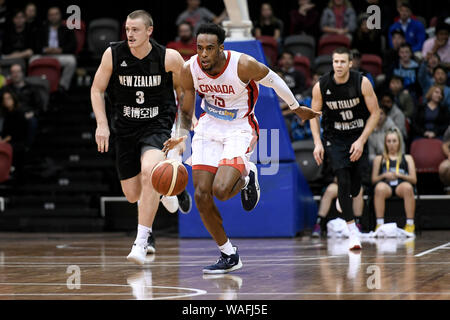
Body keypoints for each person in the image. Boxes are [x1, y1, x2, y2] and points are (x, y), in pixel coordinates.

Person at [165, 23, 320, 274]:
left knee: (222, 191)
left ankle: (248, 175)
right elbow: (186, 109)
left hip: (239, 127)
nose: (203, 54)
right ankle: (228, 254)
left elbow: (273, 79)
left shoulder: (242, 64)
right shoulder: (189, 68)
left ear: (221, 49)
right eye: (200, 48)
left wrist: (295, 106)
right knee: (203, 196)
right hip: (208, 127)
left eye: (209, 49)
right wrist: (181, 137)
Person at [90, 10, 187, 266]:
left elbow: (185, 91)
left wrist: (182, 129)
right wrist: (102, 124)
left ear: (149, 31)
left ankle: (141, 241)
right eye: (127, 29)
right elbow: (97, 89)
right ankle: (164, 189)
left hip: (157, 125)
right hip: (125, 128)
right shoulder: (113, 54)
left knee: (149, 171)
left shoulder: (169, 57)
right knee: (133, 194)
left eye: (135, 29)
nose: (129, 34)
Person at [310, 46, 381, 250]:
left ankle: (347, 197)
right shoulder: (322, 85)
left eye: (342, 61)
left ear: (350, 63)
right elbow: (313, 116)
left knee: (356, 186)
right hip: (335, 139)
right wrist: (317, 143)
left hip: (358, 136)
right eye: (335, 62)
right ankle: (353, 233)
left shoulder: (362, 82)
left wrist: (361, 140)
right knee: (343, 179)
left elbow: (375, 113)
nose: (338, 65)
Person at [371, 127, 417, 234]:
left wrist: (400, 175)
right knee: (379, 188)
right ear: (385, 143)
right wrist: (384, 175)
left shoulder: (408, 158)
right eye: (389, 141)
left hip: (400, 185)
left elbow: (414, 179)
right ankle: (380, 224)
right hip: (386, 185)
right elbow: (373, 180)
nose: (391, 144)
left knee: (408, 187)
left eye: (394, 141)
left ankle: (410, 225)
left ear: (399, 142)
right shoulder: (379, 158)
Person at [31, 6, 77, 91]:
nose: (54, 16)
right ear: (48, 17)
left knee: (71, 61)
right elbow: (35, 45)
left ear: (60, 15)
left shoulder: (67, 29)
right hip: (44, 55)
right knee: (32, 60)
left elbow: (73, 46)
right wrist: (45, 50)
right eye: (51, 15)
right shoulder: (41, 29)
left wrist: (61, 50)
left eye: (56, 14)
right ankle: (34, 85)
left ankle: (62, 86)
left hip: (60, 55)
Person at [6, 63, 43, 148]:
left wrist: (32, 113)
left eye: (18, 72)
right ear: (10, 74)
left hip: (27, 115)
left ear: (22, 73)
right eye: (13, 72)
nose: (16, 74)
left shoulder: (32, 89)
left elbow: (39, 107)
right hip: (10, 115)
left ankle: (27, 148)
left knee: (32, 121)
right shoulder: (6, 89)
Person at [0, 89, 27, 182]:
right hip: (6, 140)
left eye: (9, 98)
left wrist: (3, 140)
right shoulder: (4, 114)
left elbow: (17, 132)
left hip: (16, 141)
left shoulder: (19, 113)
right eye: (4, 99)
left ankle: (11, 171)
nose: (6, 101)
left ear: (14, 99)